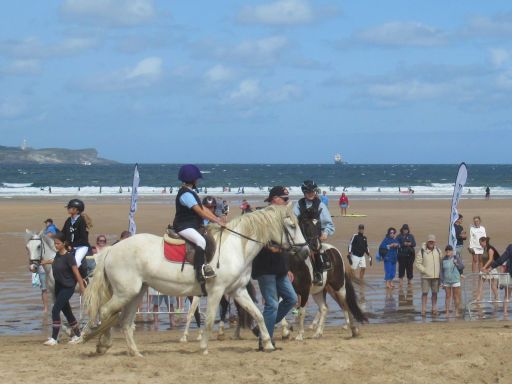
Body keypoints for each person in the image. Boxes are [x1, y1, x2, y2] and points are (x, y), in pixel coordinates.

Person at [252, 186, 297, 350]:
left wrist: (288, 267)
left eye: (287, 199)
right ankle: (266, 340)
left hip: (280, 268)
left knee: (291, 299)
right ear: (273, 199)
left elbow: (286, 245)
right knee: (272, 304)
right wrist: (269, 247)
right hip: (265, 267)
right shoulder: (262, 217)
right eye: (283, 199)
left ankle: (262, 329)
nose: (286, 201)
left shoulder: (284, 217)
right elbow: (255, 240)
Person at [172, 164, 223, 293]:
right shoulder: (185, 194)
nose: (198, 181)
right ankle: (200, 271)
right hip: (183, 226)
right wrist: (217, 220)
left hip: (192, 225)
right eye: (197, 179)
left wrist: (217, 219)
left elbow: (204, 208)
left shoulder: (191, 192)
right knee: (201, 241)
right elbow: (200, 212)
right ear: (192, 179)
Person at [43, 232, 85, 346]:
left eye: (58, 243)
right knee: (68, 312)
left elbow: (76, 273)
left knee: (55, 310)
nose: (56, 245)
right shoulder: (57, 255)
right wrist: (45, 262)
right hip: (58, 287)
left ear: (63, 243)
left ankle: (54, 338)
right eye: (55, 243)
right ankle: (78, 335)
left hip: (68, 287)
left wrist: (81, 286)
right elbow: (55, 261)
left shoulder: (69, 257)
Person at [294, 180, 335, 285]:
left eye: (313, 191)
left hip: (315, 237)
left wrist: (325, 233)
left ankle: (318, 273)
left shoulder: (320, 205)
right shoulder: (299, 205)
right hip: (301, 237)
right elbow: (293, 220)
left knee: (315, 249)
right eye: (308, 192)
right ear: (304, 192)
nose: (311, 193)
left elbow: (329, 224)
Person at [61, 199, 92, 277]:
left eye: (69, 207)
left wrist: (72, 245)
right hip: (71, 246)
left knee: (76, 262)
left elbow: (83, 238)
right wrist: (54, 236)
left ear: (76, 210)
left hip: (81, 246)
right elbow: (63, 233)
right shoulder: (68, 220)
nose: (68, 209)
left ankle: (83, 280)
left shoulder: (81, 221)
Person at [415, 234, 442, 316]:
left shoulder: (438, 250)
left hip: (436, 276)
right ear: (427, 242)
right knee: (425, 293)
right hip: (425, 277)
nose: (431, 243)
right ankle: (423, 310)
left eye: (432, 241)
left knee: (435, 293)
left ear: (435, 242)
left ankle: (434, 309)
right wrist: (424, 270)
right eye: (430, 241)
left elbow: (441, 261)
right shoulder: (422, 251)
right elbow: (417, 263)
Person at [440, 245, 462, 317]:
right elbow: (441, 271)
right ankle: (447, 312)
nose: (448, 251)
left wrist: (456, 263)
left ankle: (457, 311)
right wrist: (441, 282)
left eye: (449, 250)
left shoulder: (456, 257)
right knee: (447, 296)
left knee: (456, 296)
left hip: (455, 280)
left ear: (452, 251)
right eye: (446, 250)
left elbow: (462, 267)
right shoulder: (443, 259)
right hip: (446, 281)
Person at [477, 237, 500, 301]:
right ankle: (478, 298)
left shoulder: (490, 249)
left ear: (484, 242)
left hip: (491, 268)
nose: (480, 244)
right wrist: (481, 268)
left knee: (492, 285)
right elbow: (482, 260)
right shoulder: (484, 249)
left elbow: (490, 259)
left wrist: (484, 267)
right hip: (484, 269)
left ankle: (496, 297)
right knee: (480, 284)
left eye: (480, 243)